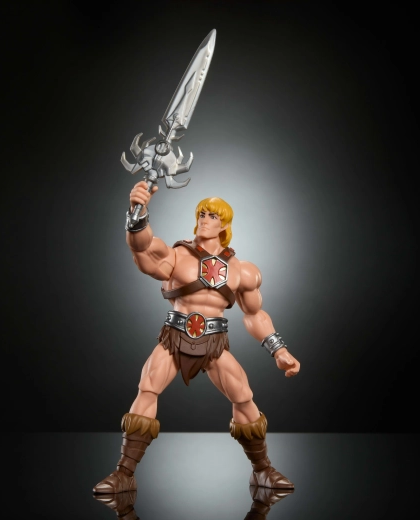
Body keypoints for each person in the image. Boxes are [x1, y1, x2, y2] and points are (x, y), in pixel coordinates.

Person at [93, 181, 301, 494]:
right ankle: (124, 474)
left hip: (214, 343)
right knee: (147, 388)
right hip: (175, 337)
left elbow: (255, 314)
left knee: (244, 396)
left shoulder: (242, 271)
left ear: (225, 225)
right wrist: (138, 212)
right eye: (202, 214)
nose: (205, 220)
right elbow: (143, 250)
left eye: (212, 216)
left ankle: (262, 471)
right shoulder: (179, 255)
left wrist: (279, 350)